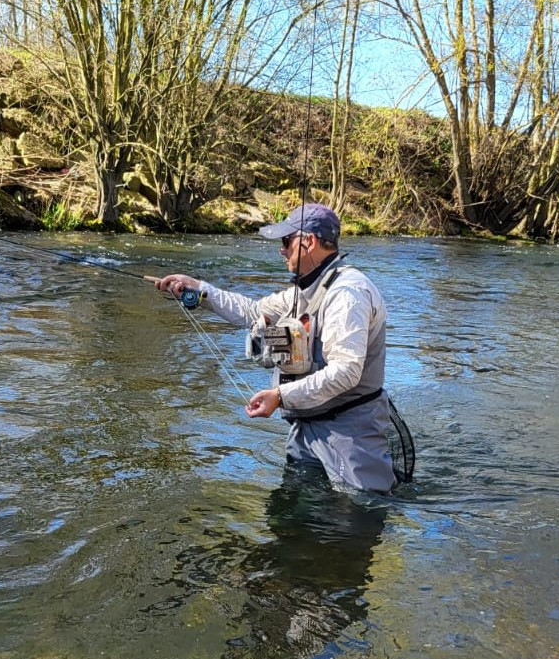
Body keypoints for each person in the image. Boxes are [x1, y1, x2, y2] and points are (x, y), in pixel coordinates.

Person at [154, 203, 396, 493]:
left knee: (357, 516)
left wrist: (280, 396)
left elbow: (346, 372)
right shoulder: (303, 290)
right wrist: (199, 288)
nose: (281, 250)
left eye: (286, 241)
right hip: (306, 426)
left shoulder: (348, 293)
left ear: (309, 242)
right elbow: (252, 311)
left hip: (351, 433)